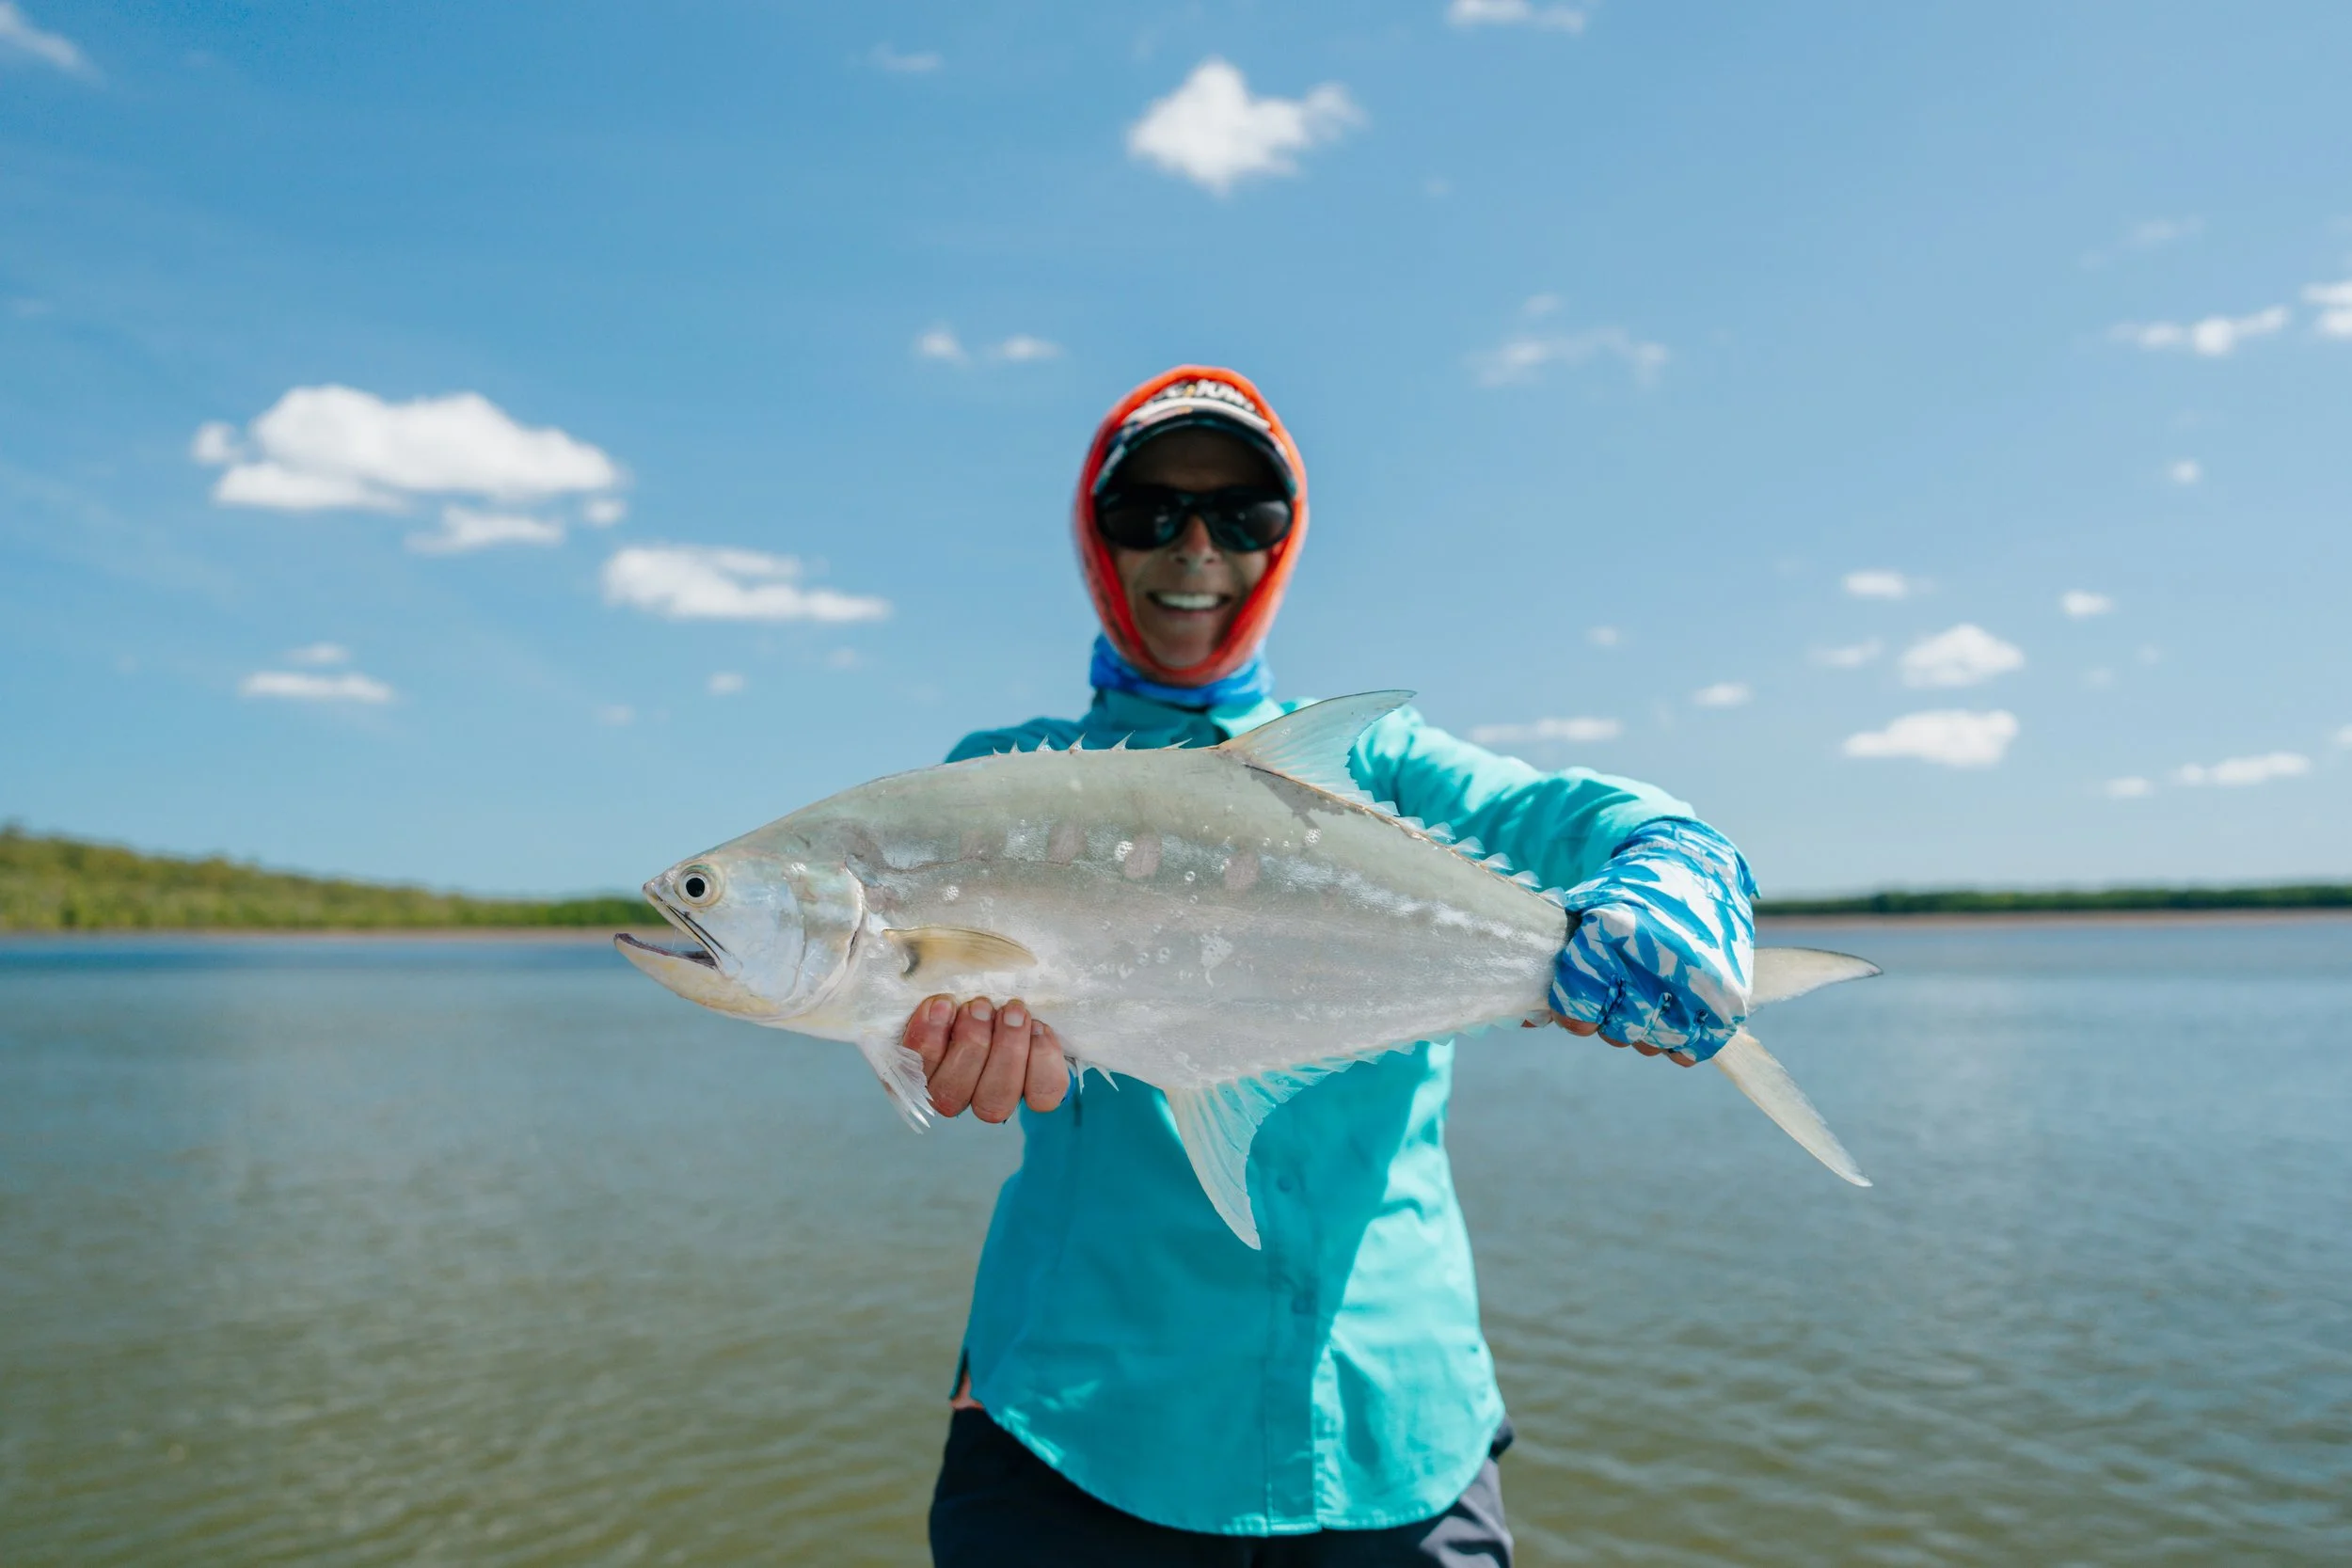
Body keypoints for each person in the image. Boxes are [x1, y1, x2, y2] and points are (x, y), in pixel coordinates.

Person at [908, 366, 1757, 1567]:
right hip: (1078, 1407)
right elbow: (889, 986)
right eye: (1146, 512)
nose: (1193, 548)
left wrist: (1668, 851)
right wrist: (928, 1052)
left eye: (1241, 517)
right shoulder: (994, 781)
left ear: (1286, 540)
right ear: (1092, 540)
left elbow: (1568, 813)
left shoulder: (1380, 766)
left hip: (1390, 1411)